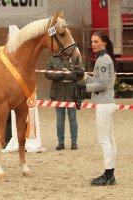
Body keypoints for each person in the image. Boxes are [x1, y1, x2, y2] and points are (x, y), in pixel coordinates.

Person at [76, 31, 117, 186]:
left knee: (104, 140)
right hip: (107, 103)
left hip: (104, 104)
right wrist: (85, 76)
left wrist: (84, 86)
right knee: (110, 139)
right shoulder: (103, 58)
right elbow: (99, 81)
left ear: (104, 43)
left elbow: (103, 85)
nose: (93, 44)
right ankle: (110, 174)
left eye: (96, 41)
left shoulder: (103, 60)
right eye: (92, 41)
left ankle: (107, 175)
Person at [45, 54, 83, 150]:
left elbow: (81, 73)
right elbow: (47, 73)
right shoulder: (52, 59)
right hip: (58, 92)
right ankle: (60, 143)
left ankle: (74, 142)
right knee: (60, 119)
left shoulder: (75, 58)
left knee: (73, 118)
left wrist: (70, 74)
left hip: (72, 92)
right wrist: (61, 74)